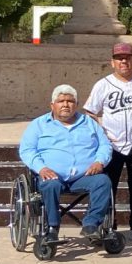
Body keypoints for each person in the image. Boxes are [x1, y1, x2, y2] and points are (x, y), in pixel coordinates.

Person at [19, 84, 113, 243]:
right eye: (61, 101)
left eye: (70, 101)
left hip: (84, 176)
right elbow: (27, 150)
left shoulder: (89, 123)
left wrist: (99, 161)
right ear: (52, 105)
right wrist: (41, 168)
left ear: (76, 105)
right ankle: (52, 228)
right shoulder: (39, 124)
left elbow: (105, 145)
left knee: (103, 181)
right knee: (50, 185)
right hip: (52, 176)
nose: (65, 104)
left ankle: (91, 224)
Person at [83, 42, 132, 243]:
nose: (124, 61)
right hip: (111, 145)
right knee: (108, 187)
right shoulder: (103, 84)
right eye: (119, 58)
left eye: (127, 57)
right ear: (112, 62)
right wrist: (102, 130)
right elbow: (90, 111)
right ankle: (108, 227)